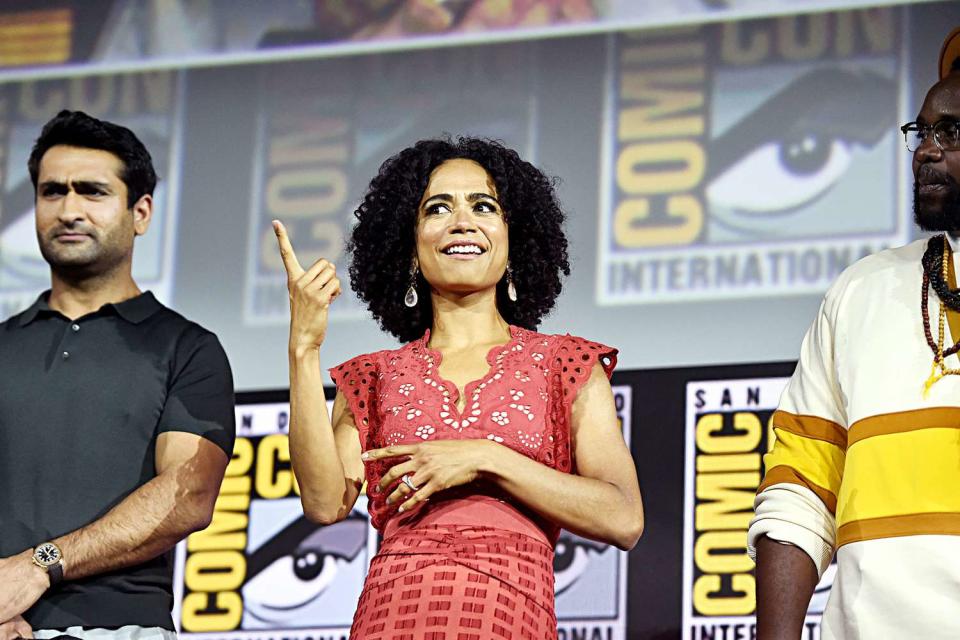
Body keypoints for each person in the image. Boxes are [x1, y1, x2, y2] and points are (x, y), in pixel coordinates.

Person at [274, 137, 644, 638]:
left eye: (484, 206)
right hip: (392, 617)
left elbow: (622, 518)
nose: (462, 222)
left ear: (514, 238)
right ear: (411, 246)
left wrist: (483, 456)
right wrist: (304, 348)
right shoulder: (373, 375)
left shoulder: (564, 364)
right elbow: (323, 503)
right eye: (437, 208)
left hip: (510, 618)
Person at [748, 27, 960, 639]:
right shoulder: (862, 291)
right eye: (923, 131)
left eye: (954, 131)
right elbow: (800, 488)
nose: (926, 150)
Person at [0, 111, 235, 640]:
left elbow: (188, 495)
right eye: (52, 192)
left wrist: (39, 565)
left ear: (141, 212)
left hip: (121, 627)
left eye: (93, 192)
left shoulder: (188, 349)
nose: (69, 210)